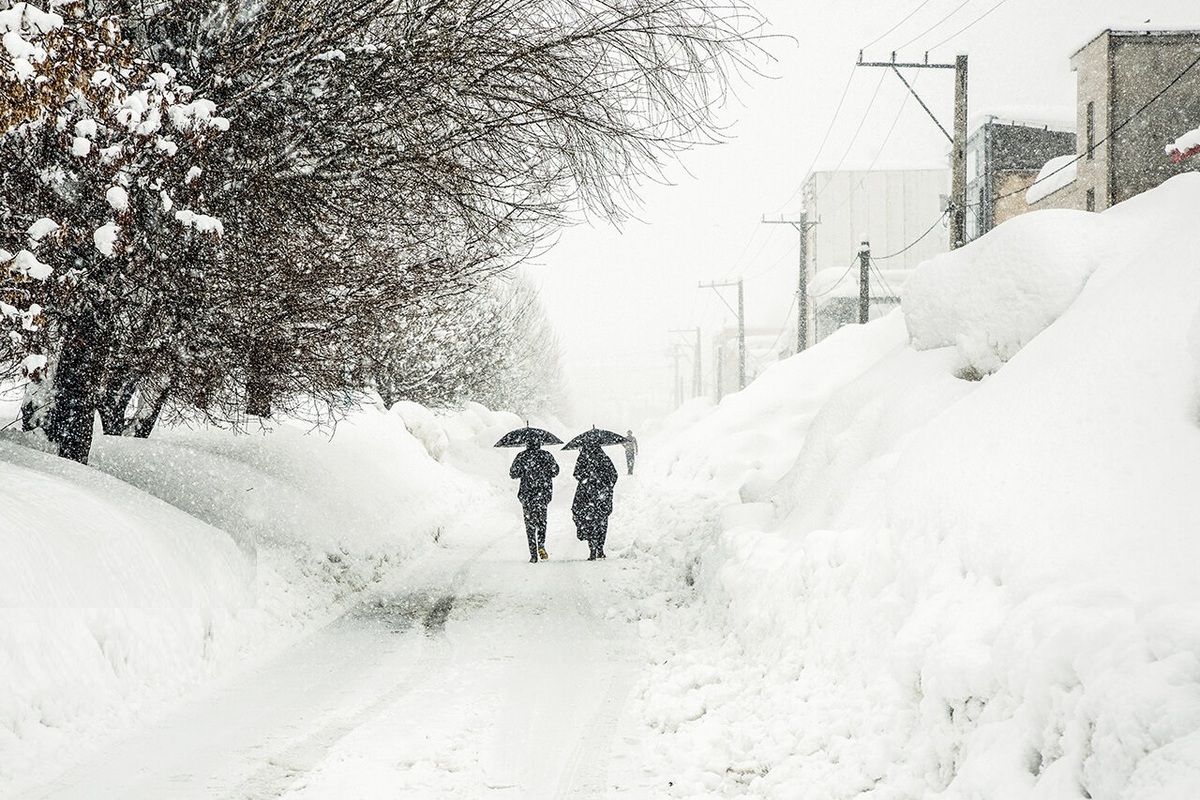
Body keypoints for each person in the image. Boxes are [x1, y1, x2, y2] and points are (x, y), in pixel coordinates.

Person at [509, 441, 559, 563]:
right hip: (543, 493)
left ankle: (533, 554)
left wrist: (523, 471)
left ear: (527, 444)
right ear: (540, 443)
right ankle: (541, 545)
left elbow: (513, 474)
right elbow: (555, 471)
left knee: (529, 524)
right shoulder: (546, 455)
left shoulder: (522, 456)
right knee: (542, 521)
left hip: (527, 495)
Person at [571, 441, 618, 560]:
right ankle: (600, 549)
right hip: (602, 495)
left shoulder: (582, 458)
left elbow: (576, 474)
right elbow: (614, 475)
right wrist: (607, 486)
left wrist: (586, 479)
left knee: (588, 521)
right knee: (602, 521)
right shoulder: (604, 458)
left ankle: (592, 548)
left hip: (585, 495)